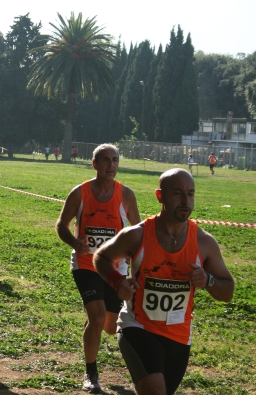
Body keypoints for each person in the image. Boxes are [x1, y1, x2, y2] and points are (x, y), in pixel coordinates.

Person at [93, 168, 235, 395]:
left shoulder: (204, 242)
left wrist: (208, 280)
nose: (185, 200)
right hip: (138, 326)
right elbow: (101, 257)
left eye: (190, 194)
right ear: (160, 196)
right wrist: (117, 282)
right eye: (178, 193)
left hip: (179, 335)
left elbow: (228, 290)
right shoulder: (137, 235)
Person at [56, 143, 141, 393]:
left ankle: (96, 333)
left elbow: (139, 234)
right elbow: (61, 224)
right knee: (96, 316)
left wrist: (137, 268)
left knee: (109, 325)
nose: (111, 165)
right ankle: (91, 373)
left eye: (115, 160)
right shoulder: (80, 193)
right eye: (105, 160)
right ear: (94, 164)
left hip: (115, 267)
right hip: (85, 263)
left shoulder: (126, 195)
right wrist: (75, 242)